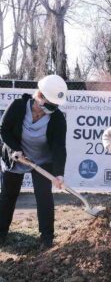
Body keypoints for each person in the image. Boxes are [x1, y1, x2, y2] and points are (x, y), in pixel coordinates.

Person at [0, 75, 68, 249]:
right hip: (16, 157)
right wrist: (16, 149)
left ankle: (46, 238)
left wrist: (59, 173)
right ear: (40, 97)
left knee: (44, 196)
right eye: (50, 105)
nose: (53, 109)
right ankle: (1, 234)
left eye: (56, 106)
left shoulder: (57, 118)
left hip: (42, 161)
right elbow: (4, 130)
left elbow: (59, 147)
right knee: (8, 196)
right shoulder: (18, 106)